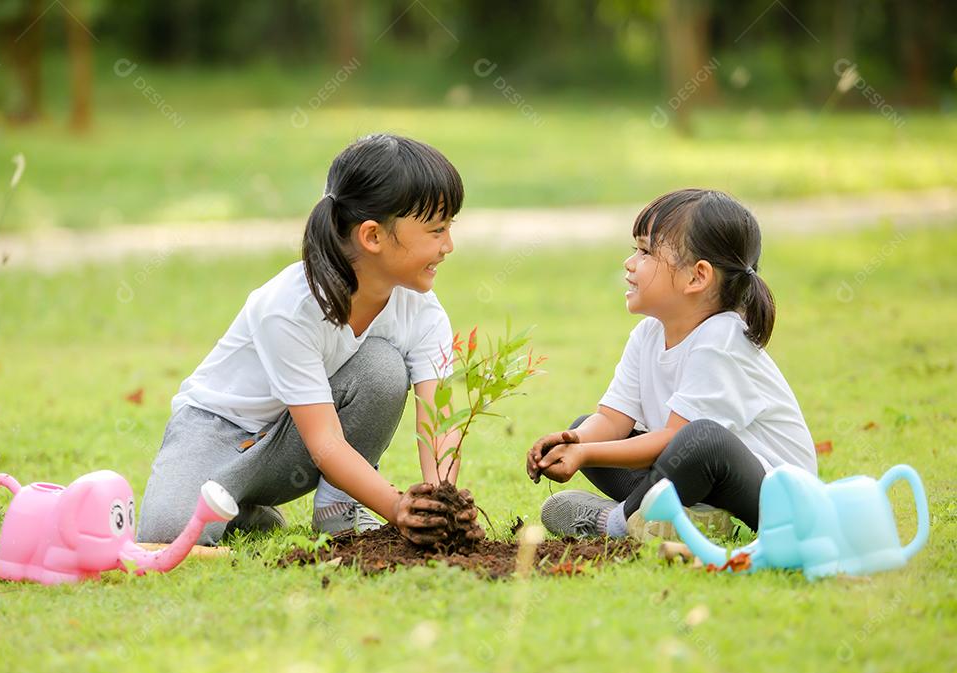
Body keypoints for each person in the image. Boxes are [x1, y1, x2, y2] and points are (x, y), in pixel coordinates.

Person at [137, 134, 482, 546]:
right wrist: (395, 507)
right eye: (437, 230)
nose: (449, 246)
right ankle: (242, 508)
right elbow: (326, 442)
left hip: (290, 447)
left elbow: (438, 420)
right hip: (219, 432)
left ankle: (337, 507)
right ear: (372, 236)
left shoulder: (420, 308)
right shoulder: (288, 307)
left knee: (383, 367)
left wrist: (441, 504)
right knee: (167, 535)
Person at [529, 189, 816, 538]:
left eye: (646, 252)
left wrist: (586, 453)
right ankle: (690, 521)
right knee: (585, 425)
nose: (630, 262)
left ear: (696, 277)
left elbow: (676, 441)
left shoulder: (721, 340)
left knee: (701, 440)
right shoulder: (647, 334)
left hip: (780, 501)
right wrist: (574, 443)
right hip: (706, 485)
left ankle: (616, 524)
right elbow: (612, 420)